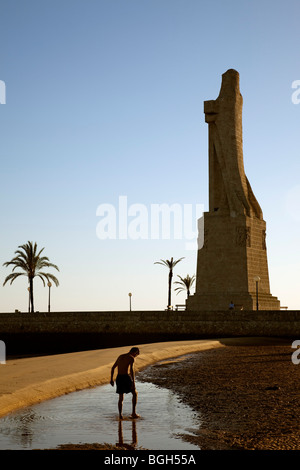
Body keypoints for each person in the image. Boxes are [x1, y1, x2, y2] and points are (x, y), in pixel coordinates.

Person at [110, 347, 140, 419]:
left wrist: (111, 379)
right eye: (136, 355)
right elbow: (131, 370)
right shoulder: (131, 358)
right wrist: (133, 382)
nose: (135, 356)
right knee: (135, 393)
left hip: (119, 378)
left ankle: (120, 415)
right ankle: (133, 413)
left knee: (121, 397)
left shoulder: (121, 356)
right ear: (134, 353)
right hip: (125, 377)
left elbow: (113, 367)